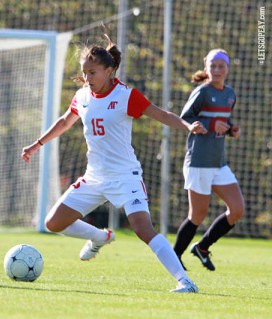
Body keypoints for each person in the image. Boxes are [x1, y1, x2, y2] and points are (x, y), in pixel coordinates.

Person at [21, 34, 207, 293]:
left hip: (125, 176)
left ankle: (185, 282)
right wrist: (36, 144)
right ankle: (100, 237)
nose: (87, 79)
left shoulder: (125, 96)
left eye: (93, 73)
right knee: (53, 223)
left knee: (143, 230)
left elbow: (161, 114)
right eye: (84, 73)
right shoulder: (82, 96)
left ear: (109, 71)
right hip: (94, 177)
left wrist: (188, 125)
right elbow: (65, 121)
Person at [173, 49, 244, 271]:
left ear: (228, 69)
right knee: (197, 215)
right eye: (212, 66)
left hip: (218, 162)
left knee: (237, 209)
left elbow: (222, 120)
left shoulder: (230, 93)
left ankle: (203, 247)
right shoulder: (202, 92)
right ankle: (174, 256)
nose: (216, 70)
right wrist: (210, 126)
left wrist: (231, 129)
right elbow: (186, 117)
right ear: (206, 68)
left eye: (221, 66)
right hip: (199, 161)